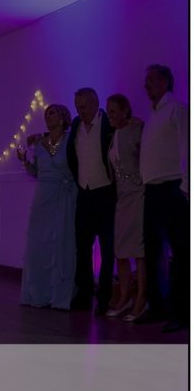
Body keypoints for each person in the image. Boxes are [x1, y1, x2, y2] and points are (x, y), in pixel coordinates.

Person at [137, 64, 189, 332]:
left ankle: (182, 313)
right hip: (153, 191)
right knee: (153, 250)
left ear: (165, 82)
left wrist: (186, 188)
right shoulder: (153, 115)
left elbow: (187, 148)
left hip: (173, 188)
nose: (145, 86)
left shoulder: (177, 110)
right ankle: (158, 308)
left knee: (180, 253)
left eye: (151, 80)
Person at [17, 104, 78, 310]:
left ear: (62, 117)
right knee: (38, 244)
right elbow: (36, 172)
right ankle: (38, 293)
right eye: (46, 114)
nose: (48, 117)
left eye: (52, 113)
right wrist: (25, 162)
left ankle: (60, 296)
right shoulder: (40, 144)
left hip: (63, 195)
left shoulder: (71, 140)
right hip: (42, 197)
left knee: (61, 243)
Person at [65, 88, 115, 314]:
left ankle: (104, 298)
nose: (80, 111)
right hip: (84, 194)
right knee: (82, 247)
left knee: (107, 249)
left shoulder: (108, 124)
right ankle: (84, 293)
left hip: (105, 194)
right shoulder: (75, 125)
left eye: (83, 106)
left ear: (95, 103)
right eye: (77, 107)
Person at [104, 94, 146, 320]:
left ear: (125, 111)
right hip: (121, 198)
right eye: (108, 111)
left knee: (138, 251)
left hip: (138, 194)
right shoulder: (114, 135)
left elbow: (147, 156)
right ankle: (124, 297)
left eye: (112, 111)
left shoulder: (137, 128)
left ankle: (141, 299)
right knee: (120, 249)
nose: (109, 115)